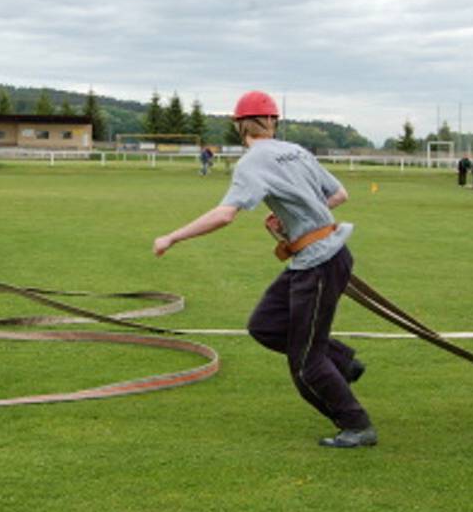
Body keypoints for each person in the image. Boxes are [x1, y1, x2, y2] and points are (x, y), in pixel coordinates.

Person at [153, 90, 375, 449]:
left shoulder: (252, 162)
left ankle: (356, 425)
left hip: (318, 262)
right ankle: (345, 365)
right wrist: (297, 213)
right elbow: (339, 195)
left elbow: (225, 214)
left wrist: (172, 237)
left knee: (306, 363)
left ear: (240, 125)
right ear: (272, 121)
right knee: (265, 325)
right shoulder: (297, 151)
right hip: (322, 255)